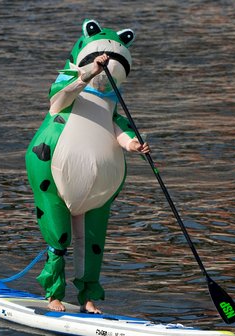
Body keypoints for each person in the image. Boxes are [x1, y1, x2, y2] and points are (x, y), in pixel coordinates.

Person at [25, 19, 149, 314]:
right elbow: (58, 99)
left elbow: (120, 129)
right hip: (54, 175)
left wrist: (134, 145)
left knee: (92, 242)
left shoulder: (112, 103)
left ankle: (88, 298)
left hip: (99, 189)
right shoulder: (68, 81)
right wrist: (90, 70)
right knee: (59, 237)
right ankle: (54, 293)